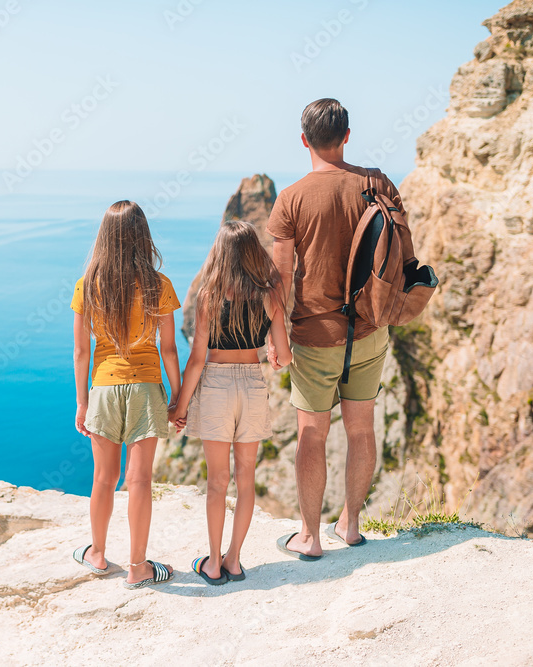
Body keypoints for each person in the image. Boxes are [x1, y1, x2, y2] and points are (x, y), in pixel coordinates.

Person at [266, 98, 406, 560]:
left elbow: (280, 279)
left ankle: (308, 538)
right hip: (370, 329)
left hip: (315, 337)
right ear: (347, 135)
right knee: (362, 431)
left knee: (313, 434)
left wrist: (277, 339)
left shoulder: (291, 198)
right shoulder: (376, 182)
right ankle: (350, 524)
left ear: (304, 139)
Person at [170, 220, 290, 585]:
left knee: (218, 482)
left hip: (217, 387)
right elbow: (284, 356)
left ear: (220, 253)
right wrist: (271, 352)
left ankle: (212, 564)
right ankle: (234, 560)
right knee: (246, 477)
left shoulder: (208, 295)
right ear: (254, 252)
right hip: (252, 385)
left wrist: (181, 406)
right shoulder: (270, 295)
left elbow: (196, 360)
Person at [70, 200, 181, 589]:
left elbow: (82, 350)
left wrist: (82, 403)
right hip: (147, 387)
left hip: (103, 387)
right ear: (142, 236)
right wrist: (178, 397)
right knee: (139, 480)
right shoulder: (159, 285)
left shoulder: (88, 285)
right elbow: (168, 349)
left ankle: (97, 555)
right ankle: (138, 568)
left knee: (104, 477)